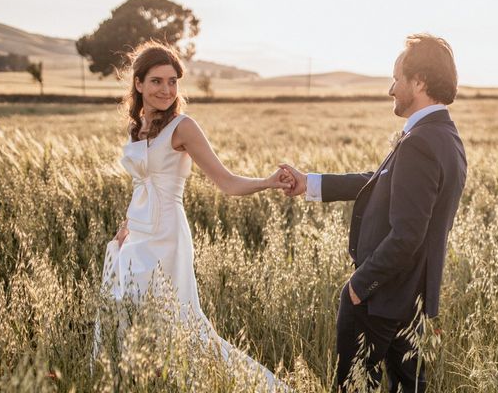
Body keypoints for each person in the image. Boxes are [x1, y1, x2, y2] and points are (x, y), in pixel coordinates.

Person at [98, 40, 292, 390]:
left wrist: (269, 182)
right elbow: (142, 185)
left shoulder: (183, 127)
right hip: (138, 235)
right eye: (157, 81)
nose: (166, 89)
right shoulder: (136, 127)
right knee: (132, 316)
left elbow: (227, 182)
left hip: (168, 238)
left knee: (178, 321)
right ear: (138, 84)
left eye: (173, 81)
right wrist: (126, 227)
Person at [280, 33, 467, 392]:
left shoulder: (421, 143)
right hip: (416, 300)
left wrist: (359, 286)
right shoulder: (446, 136)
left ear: (419, 82)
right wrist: (311, 183)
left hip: (382, 299)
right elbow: (380, 182)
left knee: (352, 388)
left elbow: (407, 234)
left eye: (396, 79)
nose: (390, 89)